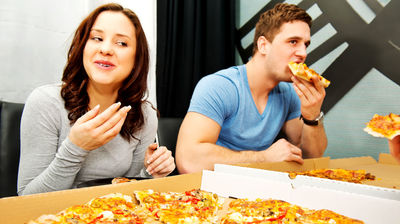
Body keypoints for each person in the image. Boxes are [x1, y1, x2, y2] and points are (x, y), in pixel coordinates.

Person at [18, 3, 175, 195]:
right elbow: (27, 198)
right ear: (82, 46)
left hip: (112, 220)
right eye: (97, 38)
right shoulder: (45, 103)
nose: (106, 49)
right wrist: (76, 147)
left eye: (121, 43)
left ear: (136, 59)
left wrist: (151, 173)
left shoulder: (145, 115)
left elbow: (129, 192)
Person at [176, 3, 327, 174]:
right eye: (293, 42)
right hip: (210, 191)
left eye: (305, 44)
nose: (303, 53)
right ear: (263, 45)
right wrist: (262, 158)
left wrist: (312, 116)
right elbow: (189, 161)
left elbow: (311, 158)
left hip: (260, 192)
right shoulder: (219, 86)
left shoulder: (289, 93)